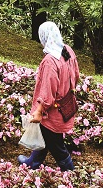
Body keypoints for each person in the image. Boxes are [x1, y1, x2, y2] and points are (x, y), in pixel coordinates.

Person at [19, 20, 79, 170]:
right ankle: (33, 162)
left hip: (53, 111)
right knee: (44, 136)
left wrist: (39, 111)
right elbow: (76, 75)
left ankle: (69, 171)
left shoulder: (50, 61)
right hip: (65, 104)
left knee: (56, 144)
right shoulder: (68, 50)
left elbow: (48, 90)